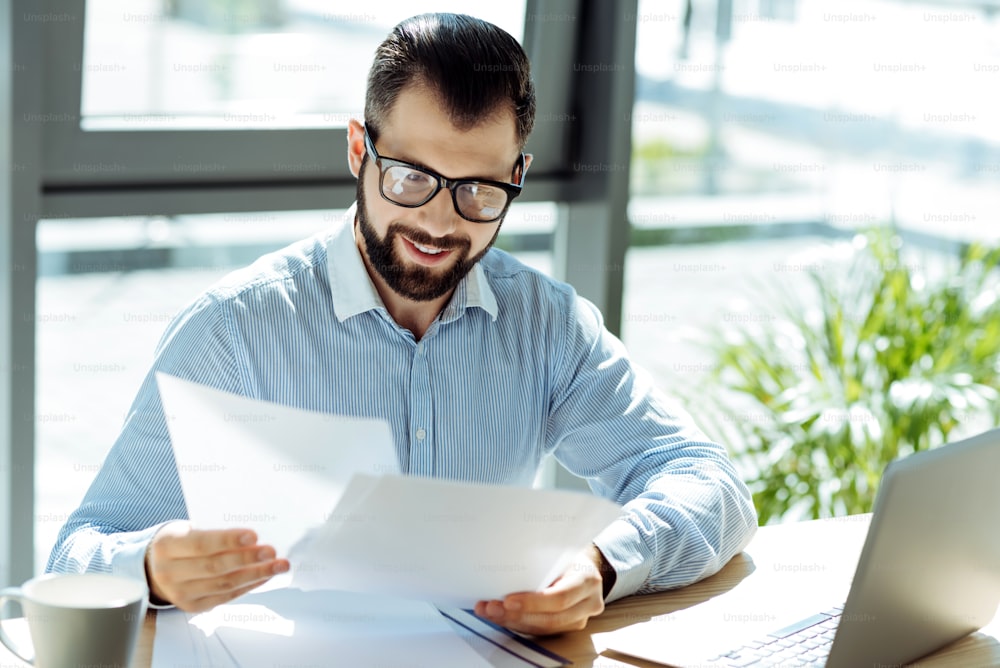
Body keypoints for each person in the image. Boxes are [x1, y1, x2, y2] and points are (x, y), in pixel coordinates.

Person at [48, 12, 757, 635]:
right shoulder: (234, 329)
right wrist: (149, 568)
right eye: (411, 177)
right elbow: (77, 552)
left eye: (480, 190)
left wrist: (603, 565)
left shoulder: (546, 325)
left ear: (519, 174)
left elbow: (707, 483)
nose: (439, 221)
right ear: (360, 150)